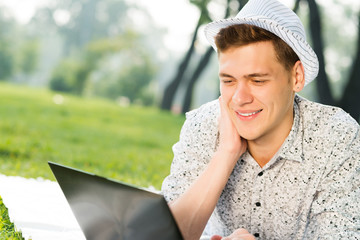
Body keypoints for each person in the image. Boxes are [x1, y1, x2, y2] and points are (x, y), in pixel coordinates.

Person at [161, 0, 360, 239]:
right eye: (228, 81)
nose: (240, 98)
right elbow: (161, 234)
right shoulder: (203, 124)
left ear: (296, 77)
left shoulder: (337, 137)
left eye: (258, 80)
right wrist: (226, 152)